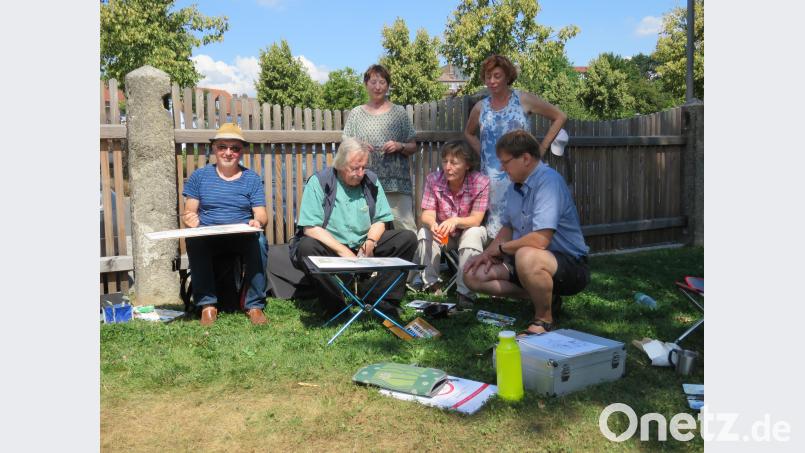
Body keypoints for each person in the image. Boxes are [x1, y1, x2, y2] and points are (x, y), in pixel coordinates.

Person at [464, 130, 589, 335]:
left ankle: (543, 320)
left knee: (526, 254)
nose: (502, 168)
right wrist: (486, 254)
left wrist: (503, 249)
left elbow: (540, 240)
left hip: (570, 266)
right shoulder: (515, 187)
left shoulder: (549, 183)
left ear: (526, 158)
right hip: (530, 261)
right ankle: (544, 295)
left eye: (505, 162)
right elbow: (508, 227)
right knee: (472, 275)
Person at [292, 137, 417, 317]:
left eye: (363, 167)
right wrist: (343, 251)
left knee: (407, 238)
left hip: (363, 244)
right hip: (332, 246)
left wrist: (371, 242)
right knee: (306, 247)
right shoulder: (319, 182)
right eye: (354, 168)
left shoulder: (371, 181)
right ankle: (336, 305)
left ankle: (382, 298)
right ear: (340, 165)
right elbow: (310, 227)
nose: (360, 173)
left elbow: (381, 219)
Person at [464, 54, 568, 238]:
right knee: (495, 235)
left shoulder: (523, 100)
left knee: (524, 228)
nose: (492, 81)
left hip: (522, 178)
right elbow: (468, 133)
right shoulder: (481, 107)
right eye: (488, 77)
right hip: (492, 182)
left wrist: (541, 149)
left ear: (507, 76)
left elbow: (560, 116)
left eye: (497, 76)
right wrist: (484, 154)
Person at [181, 123, 269, 326]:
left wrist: (258, 221)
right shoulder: (199, 177)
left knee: (260, 242)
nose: (228, 153)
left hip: (241, 236)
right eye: (222, 147)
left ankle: (254, 305)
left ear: (241, 151)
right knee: (194, 240)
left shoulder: (252, 178)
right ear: (214, 149)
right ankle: (207, 305)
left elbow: (262, 214)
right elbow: (189, 211)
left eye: (234, 148)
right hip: (209, 235)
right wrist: (189, 219)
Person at [413, 140, 490, 309]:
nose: (448, 167)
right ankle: (432, 285)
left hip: (467, 231)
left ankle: (465, 292)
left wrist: (455, 221)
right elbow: (426, 214)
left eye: (454, 163)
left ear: (467, 165)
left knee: (474, 233)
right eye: (445, 161)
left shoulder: (481, 182)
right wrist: (433, 224)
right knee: (424, 233)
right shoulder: (433, 179)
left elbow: (476, 219)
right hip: (444, 234)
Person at [342, 64, 418, 232]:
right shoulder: (356, 114)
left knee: (406, 230)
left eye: (382, 82)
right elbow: (345, 147)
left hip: (397, 187)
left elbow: (413, 146)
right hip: (364, 184)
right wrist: (359, 147)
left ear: (388, 85)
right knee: (365, 232)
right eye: (373, 82)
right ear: (366, 84)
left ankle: (412, 260)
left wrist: (400, 146)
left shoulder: (399, 113)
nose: (378, 87)